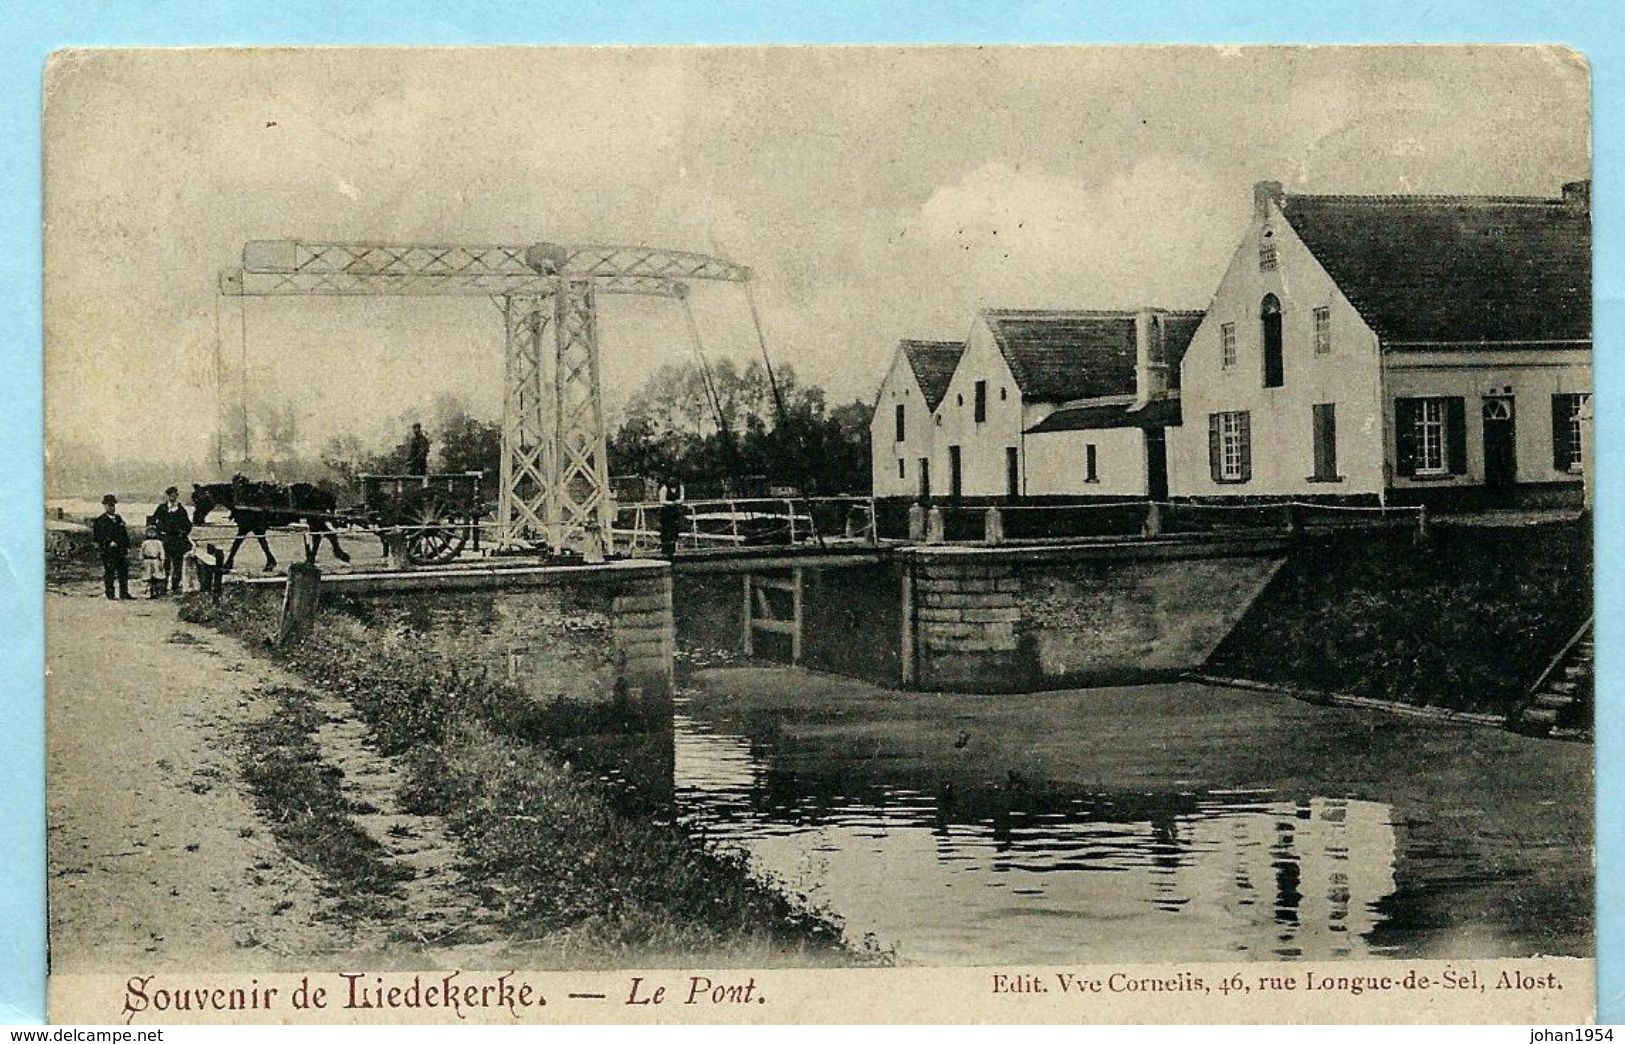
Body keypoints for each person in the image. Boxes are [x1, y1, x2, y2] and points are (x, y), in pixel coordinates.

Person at [151, 485, 193, 594]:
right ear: (168, 496)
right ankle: (162, 587)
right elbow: (153, 521)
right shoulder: (162, 508)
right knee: (165, 564)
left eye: (175, 495)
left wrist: (183, 533)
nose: (173, 497)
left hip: (177, 541)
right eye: (171, 495)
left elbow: (188, 525)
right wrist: (158, 534)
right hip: (165, 541)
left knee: (177, 564)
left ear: (177, 496)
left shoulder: (181, 509)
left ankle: (175, 585)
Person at [92, 494, 132, 601]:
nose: (112, 508)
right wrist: (108, 542)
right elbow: (98, 537)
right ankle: (110, 594)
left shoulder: (118, 518)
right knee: (110, 572)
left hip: (120, 550)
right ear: (104, 506)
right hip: (108, 551)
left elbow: (124, 534)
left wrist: (126, 546)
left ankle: (124, 593)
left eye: (113, 505)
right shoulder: (99, 521)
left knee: (123, 571)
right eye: (109, 505)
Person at [657, 476, 686, 560]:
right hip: (666, 512)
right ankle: (665, 551)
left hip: (675, 512)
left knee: (674, 530)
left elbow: (682, 498)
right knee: (666, 531)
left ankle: (672, 551)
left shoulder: (680, 487)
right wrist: (670, 503)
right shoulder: (664, 488)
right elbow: (662, 500)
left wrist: (678, 502)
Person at [140, 523, 166, 599]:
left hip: (156, 561)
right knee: (148, 577)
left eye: (153, 532)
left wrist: (162, 561)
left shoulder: (159, 542)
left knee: (157, 577)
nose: (151, 534)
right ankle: (148, 592)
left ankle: (156, 592)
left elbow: (162, 552)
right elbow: (141, 552)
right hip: (147, 561)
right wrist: (142, 561)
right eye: (149, 532)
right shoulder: (145, 543)